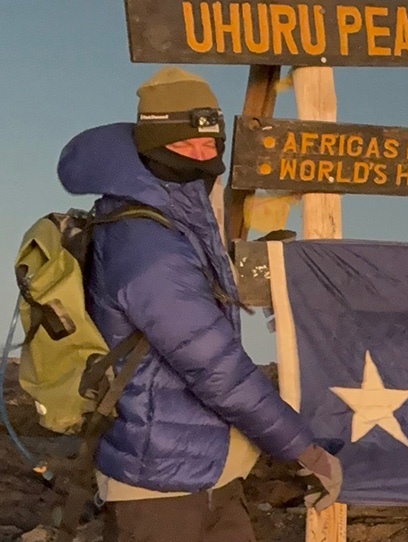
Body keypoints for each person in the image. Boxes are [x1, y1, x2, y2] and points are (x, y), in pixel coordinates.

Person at [57, 67, 342, 542]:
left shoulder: (179, 217)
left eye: (209, 144)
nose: (201, 155)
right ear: (152, 141)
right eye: (185, 143)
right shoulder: (147, 244)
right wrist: (303, 450)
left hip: (210, 474)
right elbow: (213, 366)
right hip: (160, 491)